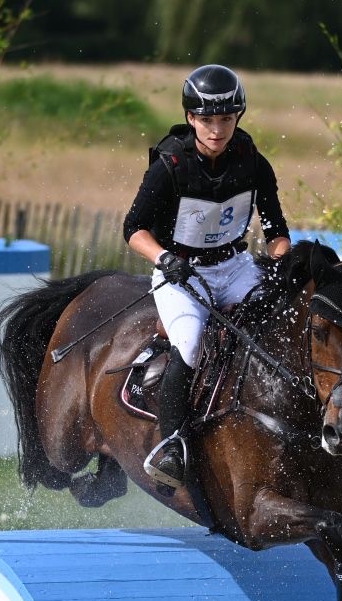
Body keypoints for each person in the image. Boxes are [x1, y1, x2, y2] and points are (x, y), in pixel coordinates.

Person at [124, 64, 292, 489]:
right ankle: (172, 446)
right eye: (206, 120)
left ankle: (315, 424)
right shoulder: (169, 165)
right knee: (192, 342)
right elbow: (133, 230)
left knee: (284, 323)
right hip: (182, 272)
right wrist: (163, 259)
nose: (216, 130)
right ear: (191, 118)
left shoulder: (254, 164)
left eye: (225, 120)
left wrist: (280, 267)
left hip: (235, 267)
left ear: (237, 118)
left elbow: (276, 232)